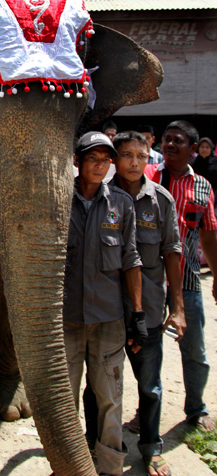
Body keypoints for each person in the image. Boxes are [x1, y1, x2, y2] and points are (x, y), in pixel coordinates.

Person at [64, 131, 145, 476]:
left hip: (108, 320)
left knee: (110, 398)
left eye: (105, 160)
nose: (100, 166)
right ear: (77, 162)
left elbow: (131, 260)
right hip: (66, 320)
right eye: (93, 158)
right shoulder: (59, 200)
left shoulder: (121, 205)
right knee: (64, 400)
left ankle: (110, 467)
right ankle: (66, 464)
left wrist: (137, 315)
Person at [112, 131, 185, 476]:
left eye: (141, 156)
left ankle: (151, 448)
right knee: (103, 386)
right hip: (108, 310)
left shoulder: (161, 200)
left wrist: (179, 307)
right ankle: (105, 447)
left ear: (148, 156)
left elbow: (173, 252)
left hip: (150, 310)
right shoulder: (101, 197)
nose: (135, 163)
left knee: (150, 386)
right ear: (115, 158)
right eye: (127, 155)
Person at [145, 120, 217, 432]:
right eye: (166, 139)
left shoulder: (202, 186)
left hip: (187, 284)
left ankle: (196, 409)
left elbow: (209, 235)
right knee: (149, 354)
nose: (170, 145)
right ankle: (146, 414)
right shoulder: (145, 178)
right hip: (146, 283)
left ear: (192, 150)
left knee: (195, 349)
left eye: (178, 141)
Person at [193, 137, 217, 205]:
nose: (204, 149)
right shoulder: (192, 164)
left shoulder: (215, 164)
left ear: (211, 149)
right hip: (195, 196)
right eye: (202, 147)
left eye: (207, 147)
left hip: (211, 197)